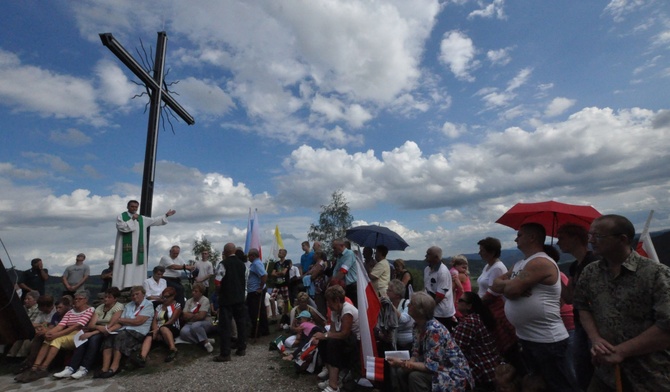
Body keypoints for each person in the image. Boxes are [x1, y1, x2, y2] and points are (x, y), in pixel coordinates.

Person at [574, 214, 670, 391]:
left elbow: (667, 327)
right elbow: (582, 306)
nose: (591, 240)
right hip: (606, 372)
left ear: (622, 239)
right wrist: (595, 339)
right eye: (590, 235)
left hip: (650, 373)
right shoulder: (591, 272)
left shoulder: (656, 274)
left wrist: (621, 351)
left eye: (598, 236)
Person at [492, 223, 578, 391]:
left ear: (532, 237)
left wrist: (512, 287)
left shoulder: (540, 262)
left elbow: (511, 289)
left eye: (520, 235)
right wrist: (513, 286)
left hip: (546, 340)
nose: (516, 238)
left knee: (559, 385)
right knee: (539, 385)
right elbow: (495, 285)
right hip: (528, 338)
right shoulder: (519, 265)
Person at [387, 291, 473, 392]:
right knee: (402, 371)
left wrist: (403, 363)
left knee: (415, 377)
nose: (409, 305)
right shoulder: (416, 326)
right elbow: (415, 352)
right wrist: (407, 363)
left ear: (420, 310)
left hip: (453, 373)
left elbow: (432, 366)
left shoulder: (434, 330)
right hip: (439, 367)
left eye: (412, 304)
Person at [16, 290, 95, 383]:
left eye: (80, 299)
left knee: (56, 340)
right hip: (67, 332)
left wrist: (56, 334)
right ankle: (35, 367)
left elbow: (77, 325)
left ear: (86, 300)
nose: (77, 301)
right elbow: (60, 325)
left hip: (78, 333)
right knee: (48, 338)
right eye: (75, 299)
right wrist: (49, 333)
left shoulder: (90, 310)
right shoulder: (70, 312)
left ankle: (43, 367)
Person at [556, 223, 599, 390]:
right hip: (580, 324)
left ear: (575, 238)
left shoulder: (593, 262)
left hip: (594, 326)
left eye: (562, 238)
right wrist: (554, 274)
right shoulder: (575, 266)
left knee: (593, 371)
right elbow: (568, 298)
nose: (558, 242)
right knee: (583, 370)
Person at [54, 287, 124, 379]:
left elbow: (110, 325)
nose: (106, 299)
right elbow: (91, 325)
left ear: (115, 299)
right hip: (98, 329)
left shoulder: (119, 307)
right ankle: (71, 367)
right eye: (105, 297)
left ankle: (84, 368)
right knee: (82, 339)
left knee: (93, 340)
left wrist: (92, 332)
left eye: (109, 297)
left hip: (109, 332)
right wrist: (98, 328)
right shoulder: (100, 307)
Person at [113, 199, 175, 289]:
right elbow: (122, 228)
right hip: (125, 250)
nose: (134, 208)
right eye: (132, 206)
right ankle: (122, 286)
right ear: (127, 207)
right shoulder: (121, 216)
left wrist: (166, 215)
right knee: (125, 266)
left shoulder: (141, 218)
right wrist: (132, 219)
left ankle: (137, 285)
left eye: (136, 207)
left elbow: (154, 220)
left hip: (138, 248)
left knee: (137, 265)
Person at [97, 285, 154, 378]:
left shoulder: (148, 305)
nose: (134, 297)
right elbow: (120, 322)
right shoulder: (128, 305)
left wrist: (123, 320)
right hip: (126, 329)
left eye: (137, 294)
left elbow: (138, 321)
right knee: (109, 337)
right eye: (132, 295)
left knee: (120, 337)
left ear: (143, 294)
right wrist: (110, 330)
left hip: (138, 332)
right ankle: (104, 368)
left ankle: (114, 367)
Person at [313, 285, 360, 392]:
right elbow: (333, 331)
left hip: (356, 342)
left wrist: (325, 335)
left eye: (329, 302)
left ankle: (333, 385)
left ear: (337, 300)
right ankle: (333, 378)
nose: (328, 305)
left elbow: (345, 334)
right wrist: (322, 337)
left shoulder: (347, 310)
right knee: (324, 343)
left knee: (332, 343)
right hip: (346, 341)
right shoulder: (335, 311)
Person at [453, 292, 501, 391]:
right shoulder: (479, 317)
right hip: (492, 368)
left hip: (481, 372)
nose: (457, 301)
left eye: (461, 300)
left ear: (469, 306)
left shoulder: (469, 322)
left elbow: (455, 349)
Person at [214, 243, 248, 362]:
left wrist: (219, 293)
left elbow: (218, 281)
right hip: (239, 298)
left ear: (225, 251)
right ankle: (241, 348)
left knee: (225, 326)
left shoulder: (223, 264)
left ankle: (225, 353)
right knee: (241, 324)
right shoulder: (242, 265)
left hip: (227, 299)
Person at [136, 286, 182, 365]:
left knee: (164, 329)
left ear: (172, 297)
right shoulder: (159, 307)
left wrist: (159, 329)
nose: (164, 299)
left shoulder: (177, 306)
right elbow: (155, 320)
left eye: (167, 297)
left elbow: (172, 320)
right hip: (158, 328)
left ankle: (173, 349)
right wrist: (155, 330)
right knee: (149, 335)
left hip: (172, 327)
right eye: (163, 297)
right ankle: (142, 357)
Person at [423, 246, 456, 331]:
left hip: (442, 313)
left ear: (436, 257)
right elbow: (427, 288)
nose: (425, 256)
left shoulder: (443, 272)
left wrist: (426, 307)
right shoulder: (427, 269)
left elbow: (440, 296)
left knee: (444, 335)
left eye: (428, 254)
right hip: (433, 309)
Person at [180, 283, 214, 352]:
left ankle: (207, 344)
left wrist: (190, 315)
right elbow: (184, 315)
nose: (193, 293)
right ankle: (204, 340)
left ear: (201, 292)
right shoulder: (189, 301)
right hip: (190, 323)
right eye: (193, 291)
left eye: (196, 291)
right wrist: (195, 314)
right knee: (183, 332)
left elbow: (201, 316)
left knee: (195, 326)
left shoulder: (205, 300)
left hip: (204, 322)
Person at [247, 248, 269, 338]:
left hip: (255, 291)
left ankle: (258, 330)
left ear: (253, 255)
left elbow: (264, 275)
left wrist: (260, 287)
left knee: (255, 312)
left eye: (249, 256)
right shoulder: (256, 263)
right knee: (260, 311)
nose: (248, 258)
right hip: (253, 290)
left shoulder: (256, 264)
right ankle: (263, 329)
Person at [331, 238, 359, 307]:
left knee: (352, 307)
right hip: (345, 287)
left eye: (335, 248)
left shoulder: (349, 254)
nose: (334, 250)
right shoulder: (339, 257)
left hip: (352, 287)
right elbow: (336, 271)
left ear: (341, 245)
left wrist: (333, 283)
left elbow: (343, 271)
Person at [269, 248, 292, 317]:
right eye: (279, 252)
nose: (279, 253)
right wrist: (280, 273)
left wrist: (277, 273)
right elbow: (272, 273)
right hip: (277, 284)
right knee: (271, 298)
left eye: (280, 252)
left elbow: (284, 272)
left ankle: (285, 314)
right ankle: (274, 315)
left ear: (284, 254)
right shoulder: (276, 263)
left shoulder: (287, 262)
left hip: (284, 284)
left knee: (286, 300)